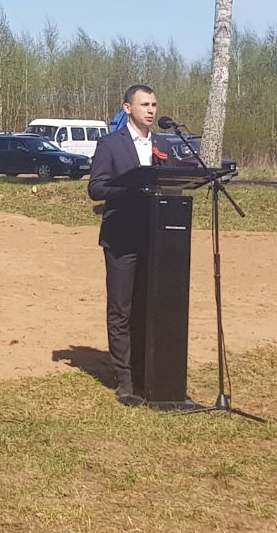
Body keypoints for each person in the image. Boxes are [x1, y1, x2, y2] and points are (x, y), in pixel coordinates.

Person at [87, 84, 170, 405]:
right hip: (121, 237)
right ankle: (124, 379)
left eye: (154, 104)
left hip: (157, 238)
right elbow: (96, 188)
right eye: (144, 104)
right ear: (127, 108)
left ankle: (147, 372)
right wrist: (132, 187)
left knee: (149, 306)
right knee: (121, 308)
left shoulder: (163, 145)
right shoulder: (111, 144)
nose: (151, 110)